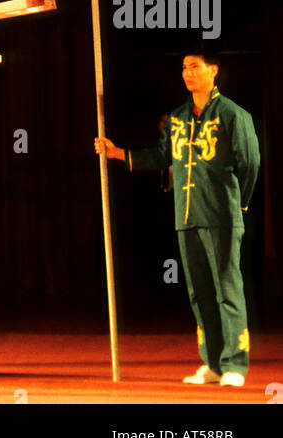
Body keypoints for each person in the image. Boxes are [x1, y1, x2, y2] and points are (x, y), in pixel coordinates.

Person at [95, 49, 260, 388]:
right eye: (184, 67)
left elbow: (250, 163)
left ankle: (235, 364)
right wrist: (116, 152)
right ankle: (212, 363)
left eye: (195, 67)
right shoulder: (179, 116)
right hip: (186, 214)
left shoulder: (232, 114)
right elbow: (160, 155)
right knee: (199, 292)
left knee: (227, 289)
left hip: (222, 214)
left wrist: (239, 205)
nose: (188, 73)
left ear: (213, 71)